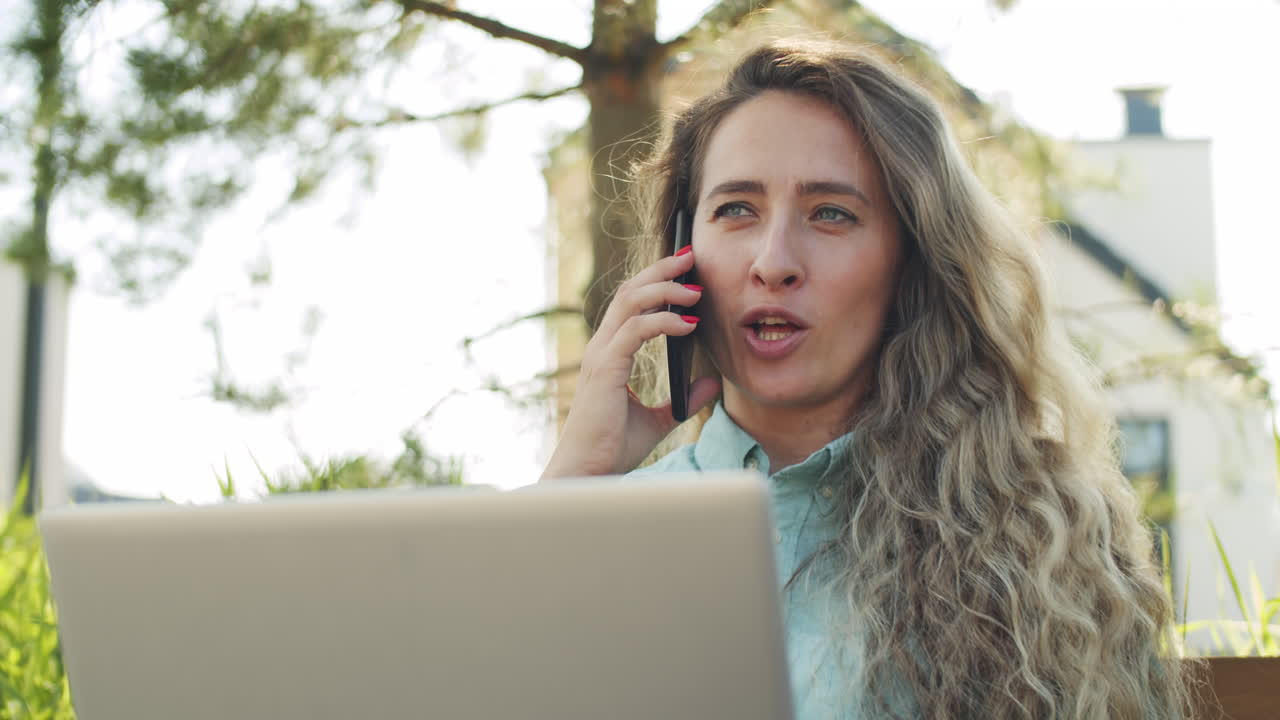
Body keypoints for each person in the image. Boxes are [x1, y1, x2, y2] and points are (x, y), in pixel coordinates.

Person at [541, 39, 1190, 719]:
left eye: (831, 213)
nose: (774, 261)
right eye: (736, 208)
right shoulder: (591, 526)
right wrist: (572, 487)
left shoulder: (1038, 540)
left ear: (912, 261)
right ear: (682, 252)